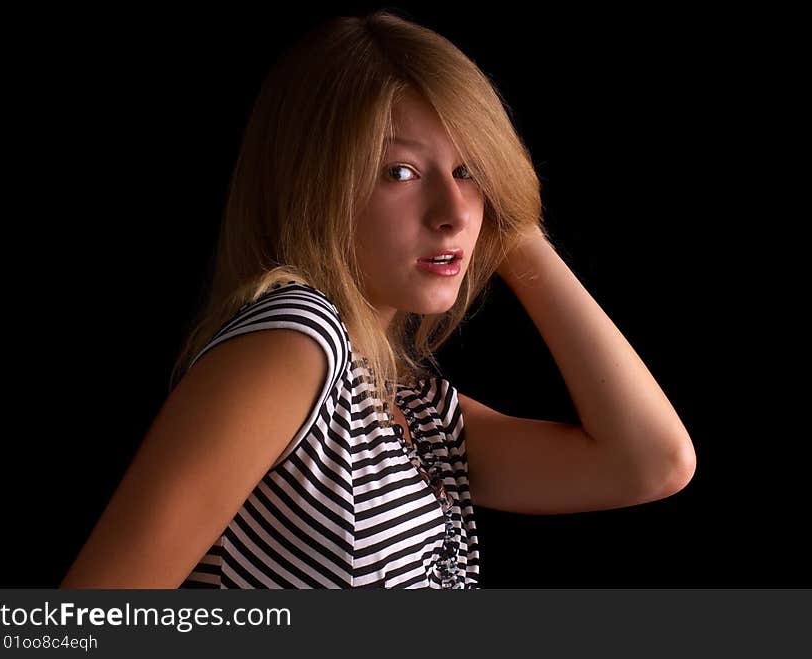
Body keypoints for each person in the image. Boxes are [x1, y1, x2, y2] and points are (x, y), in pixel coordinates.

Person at [59, 9, 696, 590]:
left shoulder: (406, 407)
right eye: (400, 172)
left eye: (469, 170)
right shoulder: (293, 345)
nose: (451, 214)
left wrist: (515, 228)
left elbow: (649, 462)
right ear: (314, 187)